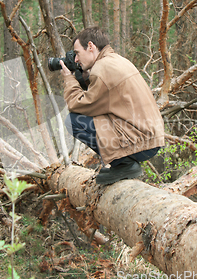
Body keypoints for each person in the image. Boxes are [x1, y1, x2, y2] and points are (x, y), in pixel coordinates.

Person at [60, 26, 165, 185]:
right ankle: (123, 163)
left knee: (73, 121)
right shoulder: (116, 60)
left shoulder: (101, 68)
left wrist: (69, 79)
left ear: (90, 46)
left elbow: (77, 105)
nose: (75, 60)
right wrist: (82, 78)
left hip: (141, 142)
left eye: (77, 54)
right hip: (151, 138)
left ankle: (123, 164)